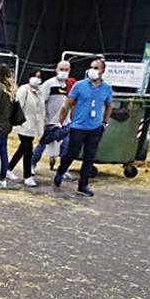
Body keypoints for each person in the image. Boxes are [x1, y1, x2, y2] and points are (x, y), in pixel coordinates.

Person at [53, 59, 113, 197]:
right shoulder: (79, 86)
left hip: (95, 127)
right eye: (91, 67)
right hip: (78, 126)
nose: (93, 70)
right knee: (72, 152)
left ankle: (83, 185)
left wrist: (105, 122)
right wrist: (60, 122)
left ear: (102, 71)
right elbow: (67, 104)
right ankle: (61, 171)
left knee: (89, 157)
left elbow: (109, 105)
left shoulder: (106, 88)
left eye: (96, 68)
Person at [31, 61, 73, 177]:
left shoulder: (71, 85)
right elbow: (41, 101)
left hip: (65, 122)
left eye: (66, 70)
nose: (64, 72)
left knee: (66, 145)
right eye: (61, 69)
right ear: (56, 69)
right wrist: (42, 119)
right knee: (42, 144)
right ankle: (32, 163)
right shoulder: (49, 84)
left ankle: (63, 169)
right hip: (50, 121)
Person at [7, 69, 45, 187]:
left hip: (34, 126)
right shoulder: (24, 90)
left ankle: (9, 168)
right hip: (24, 125)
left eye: (39, 77)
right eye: (35, 76)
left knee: (22, 149)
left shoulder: (39, 92)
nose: (37, 79)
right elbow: (18, 107)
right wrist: (18, 123)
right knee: (28, 150)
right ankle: (27, 176)